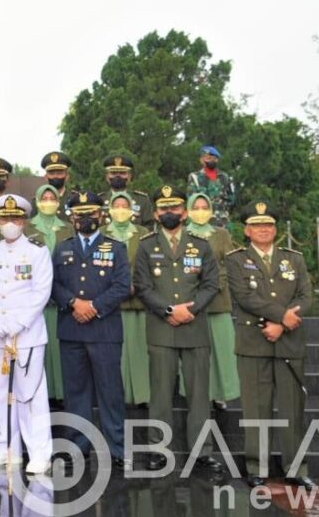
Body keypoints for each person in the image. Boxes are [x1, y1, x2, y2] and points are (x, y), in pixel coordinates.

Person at [132, 186, 223, 475]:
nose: (169, 213)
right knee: (159, 395)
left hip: (194, 328)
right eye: (163, 208)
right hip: (161, 328)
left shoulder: (202, 245)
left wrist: (190, 309)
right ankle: (159, 450)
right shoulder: (146, 246)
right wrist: (169, 310)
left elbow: (211, 284)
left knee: (199, 395)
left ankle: (202, 453)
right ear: (156, 214)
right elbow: (143, 287)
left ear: (184, 212)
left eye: (174, 208)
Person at [226, 202, 314, 490]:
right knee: (256, 408)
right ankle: (257, 467)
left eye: (269, 225)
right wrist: (280, 316)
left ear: (275, 229)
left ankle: (295, 468)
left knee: (292, 408)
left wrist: (285, 322)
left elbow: (305, 295)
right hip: (254, 342)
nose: (264, 229)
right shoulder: (236, 259)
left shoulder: (294, 258)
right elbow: (243, 296)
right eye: (257, 225)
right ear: (247, 230)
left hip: (289, 341)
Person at [51, 192, 131, 469]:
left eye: (91, 213)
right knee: (76, 393)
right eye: (79, 213)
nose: (85, 218)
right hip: (71, 331)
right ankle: (78, 447)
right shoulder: (62, 248)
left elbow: (122, 286)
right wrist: (74, 303)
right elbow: (53, 284)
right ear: (71, 217)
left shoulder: (116, 248)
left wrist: (93, 306)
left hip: (105, 331)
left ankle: (117, 449)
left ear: (101, 215)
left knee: (111, 393)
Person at [0, 194, 53, 476]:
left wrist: (18, 323)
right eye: (4, 219)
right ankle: (7, 448)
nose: (9, 223)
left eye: (15, 218)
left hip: (28, 335)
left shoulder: (37, 252)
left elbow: (41, 292)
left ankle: (39, 452)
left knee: (30, 394)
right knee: (1, 393)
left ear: (23, 220)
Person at [185, 192, 239, 409]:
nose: (200, 211)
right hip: (189, 302)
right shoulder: (182, 234)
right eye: (195, 207)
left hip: (217, 300)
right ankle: (197, 393)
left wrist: (214, 284)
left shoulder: (221, 234)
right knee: (194, 353)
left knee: (221, 349)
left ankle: (221, 393)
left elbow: (230, 263)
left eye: (203, 207)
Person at [104, 192, 149, 407]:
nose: (120, 209)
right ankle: (117, 396)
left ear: (132, 209)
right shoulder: (102, 234)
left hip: (139, 301)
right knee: (115, 355)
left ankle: (143, 396)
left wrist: (135, 285)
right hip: (112, 304)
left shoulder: (144, 233)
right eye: (116, 205)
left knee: (141, 351)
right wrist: (118, 288)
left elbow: (150, 265)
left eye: (125, 205)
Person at [31, 184, 73, 407]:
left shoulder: (67, 229)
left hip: (62, 302)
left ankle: (60, 395)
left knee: (60, 352)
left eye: (52, 197)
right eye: (44, 197)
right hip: (35, 305)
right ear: (37, 201)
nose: (48, 201)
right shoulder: (28, 228)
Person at [187, 146, 237, 227]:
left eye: (214, 158)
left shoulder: (225, 177)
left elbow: (232, 198)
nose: (212, 160)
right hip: (202, 219)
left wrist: (224, 210)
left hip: (223, 219)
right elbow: (192, 199)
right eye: (209, 158)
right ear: (201, 160)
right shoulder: (194, 177)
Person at [99, 154, 153, 226]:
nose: (118, 176)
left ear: (129, 177)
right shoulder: (99, 200)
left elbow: (149, 227)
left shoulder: (142, 200)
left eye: (122, 173)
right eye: (113, 173)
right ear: (107, 177)